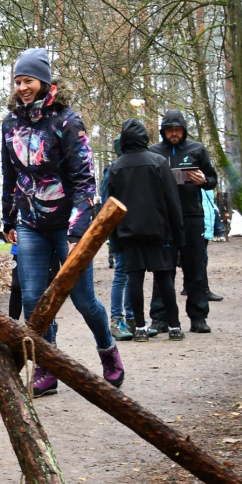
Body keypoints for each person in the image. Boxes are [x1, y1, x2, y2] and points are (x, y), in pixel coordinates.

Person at [0, 48, 120, 396]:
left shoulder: (67, 121)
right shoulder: (10, 124)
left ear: (44, 81)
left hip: (68, 223)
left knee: (84, 300)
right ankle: (48, 367)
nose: (23, 87)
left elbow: (85, 180)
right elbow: (9, 174)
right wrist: (8, 216)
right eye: (18, 81)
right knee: (34, 300)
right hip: (30, 223)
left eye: (29, 80)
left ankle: (107, 351)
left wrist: (77, 231)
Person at [105, 118, 185, 343]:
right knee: (164, 278)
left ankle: (139, 326)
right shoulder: (158, 162)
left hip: (129, 234)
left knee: (135, 281)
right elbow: (172, 202)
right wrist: (179, 237)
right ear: (144, 137)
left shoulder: (116, 167)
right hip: (158, 232)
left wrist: (115, 241)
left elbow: (111, 207)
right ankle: (175, 325)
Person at [147, 110, 219, 334]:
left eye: (178, 130)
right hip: (164, 219)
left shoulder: (197, 149)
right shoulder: (153, 152)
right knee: (163, 270)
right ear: (163, 131)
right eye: (170, 130)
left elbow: (212, 179)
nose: (174, 134)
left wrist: (203, 180)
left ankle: (198, 317)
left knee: (195, 268)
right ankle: (159, 318)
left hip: (192, 217)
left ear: (184, 131)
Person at [100, 135, 136, 341]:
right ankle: (116, 319)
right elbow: (108, 203)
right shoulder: (112, 170)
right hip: (120, 231)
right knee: (122, 274)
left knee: (132, 274)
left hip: (134, 229)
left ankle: (131, 318)